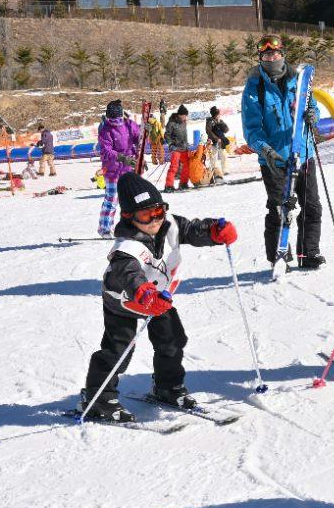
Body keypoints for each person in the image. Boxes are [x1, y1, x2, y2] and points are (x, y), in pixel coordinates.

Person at [79, 173, 238, 421]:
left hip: (157, 299)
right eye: (145, 214)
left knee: (172, 340)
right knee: (118, 351)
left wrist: (214, 232)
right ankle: (98, 399)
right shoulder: (126, 248)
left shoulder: (169, 224)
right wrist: (143, 292)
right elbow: (129, 274)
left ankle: (168, 387)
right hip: (124, 301)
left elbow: (192, 229)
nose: (155, 219)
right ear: (129, 217)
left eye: (158, 210)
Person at [240, 34, 325, 269]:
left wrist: (313, 116)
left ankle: (309, 254)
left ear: (282, 54)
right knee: (279, 210)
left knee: (311, 206)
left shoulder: (298, 80)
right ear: (261, 57)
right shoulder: (254, 87)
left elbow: (312, 106)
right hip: (274, 159)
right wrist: (264, 148)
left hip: (302, 152)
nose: (271, 57)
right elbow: (252, 128)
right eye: (267, 54)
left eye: (275, 53)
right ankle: (279, 256)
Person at [96, 100, 143, 237]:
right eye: (113, 119)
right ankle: (105, 228)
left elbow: (138, 139)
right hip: (112, 170)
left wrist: (145, 133)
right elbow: (106, 151)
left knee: (132, 199)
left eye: (118, 119)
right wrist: (122, 157)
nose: (116, 122)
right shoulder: (105, 130)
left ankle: (134, 226)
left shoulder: (129, 125)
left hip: (128, 169)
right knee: (112, 199)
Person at [164, 105, 192, 190]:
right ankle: (169, 185)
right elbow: (166, 135)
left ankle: (183, 183)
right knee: (174, 166)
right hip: (175, 148)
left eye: (186, 116)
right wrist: (170, 144)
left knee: (187, 166)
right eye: (184, 115)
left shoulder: (184, 122)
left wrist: (187, 144)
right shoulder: (171, 123)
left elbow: (185, 134)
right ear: (179, 115)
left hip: (184, 147)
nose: (185, 117)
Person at [205, 106, 230, 181]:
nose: (219, 115)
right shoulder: (209, 122)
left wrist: (221, 124)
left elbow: (226, 130)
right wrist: (216, 139)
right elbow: (209, 132)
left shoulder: (220, 121)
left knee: (224, 156)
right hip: (213, 142)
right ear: (215, 114)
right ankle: (216, 171)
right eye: (218, 114)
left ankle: (225, 170)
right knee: (213, 157)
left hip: (221, 141)